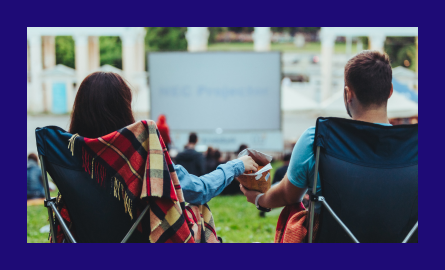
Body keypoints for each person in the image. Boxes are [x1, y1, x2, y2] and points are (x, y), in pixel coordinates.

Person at [69, 72, 259, 205]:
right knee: (197, 210)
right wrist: (236, 165)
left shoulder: (66, 157)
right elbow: (199, 190)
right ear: (124, 111)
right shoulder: (142, 160)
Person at [241, 50, 394, 215]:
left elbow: (287, 195)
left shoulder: (316, 139)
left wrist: (259, 199)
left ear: (348, 94)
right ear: (390, 91)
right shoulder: (415, 146)